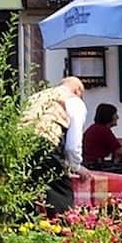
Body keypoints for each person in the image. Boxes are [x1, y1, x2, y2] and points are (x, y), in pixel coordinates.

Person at [21, 76, 87, 213]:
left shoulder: (36, 96)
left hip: (21, 144)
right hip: (45, 141)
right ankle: (62, 230)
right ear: (78, 91)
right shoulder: (74, 101)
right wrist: (76, 166)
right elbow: (72, 145)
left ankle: (22, 230)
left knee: (25, 194)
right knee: (60, 193)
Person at [82, 103, 122, 170]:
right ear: (109, 116)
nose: (117, 117)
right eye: (115, 114)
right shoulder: (103, 130)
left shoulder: (94, 127)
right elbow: (119, 151)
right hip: (97, 166)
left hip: (90, 164)